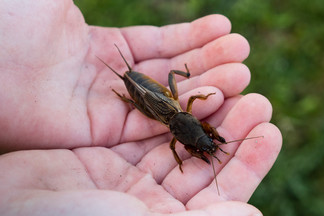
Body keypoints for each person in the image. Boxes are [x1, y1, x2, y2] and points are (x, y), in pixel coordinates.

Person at [0, 0, 282, 215]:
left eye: (201, 140)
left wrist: (193, 152)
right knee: (140, 101)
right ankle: (125, 95)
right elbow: (176, 146)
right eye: (204, 138)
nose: (204, 138)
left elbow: (178, 144)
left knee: (148, 96)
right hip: (147, 94)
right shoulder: (180, 127)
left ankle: (126, 94)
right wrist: (186, 157)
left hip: (156, 99)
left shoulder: (184, 118)